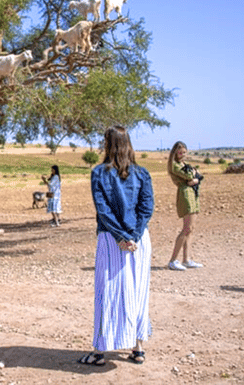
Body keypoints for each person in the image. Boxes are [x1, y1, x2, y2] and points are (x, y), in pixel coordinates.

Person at [79, 126, 154, 366]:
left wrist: (122, 237)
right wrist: (134, 235)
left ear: (108, 144)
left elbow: (103, 209)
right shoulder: (142, 174)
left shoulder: (99, 173)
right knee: (138, 293)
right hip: (139, 242)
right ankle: (138, 348)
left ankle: (100, 351)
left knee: (107, 293)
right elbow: (146, 208)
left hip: (112, 240)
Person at [167, 141, 204, 270]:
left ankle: (186, 259)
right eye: (179, 152)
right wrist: (194, 175)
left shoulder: (183, 164)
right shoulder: (175, 165)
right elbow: (190, 175)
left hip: (193, 194)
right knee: (187, 228)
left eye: (184, 152)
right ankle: (173, 260)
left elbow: (197, 176)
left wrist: (195, 178)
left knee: (191, 228)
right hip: (185, 195)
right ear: (175, 152)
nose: (182, 154)